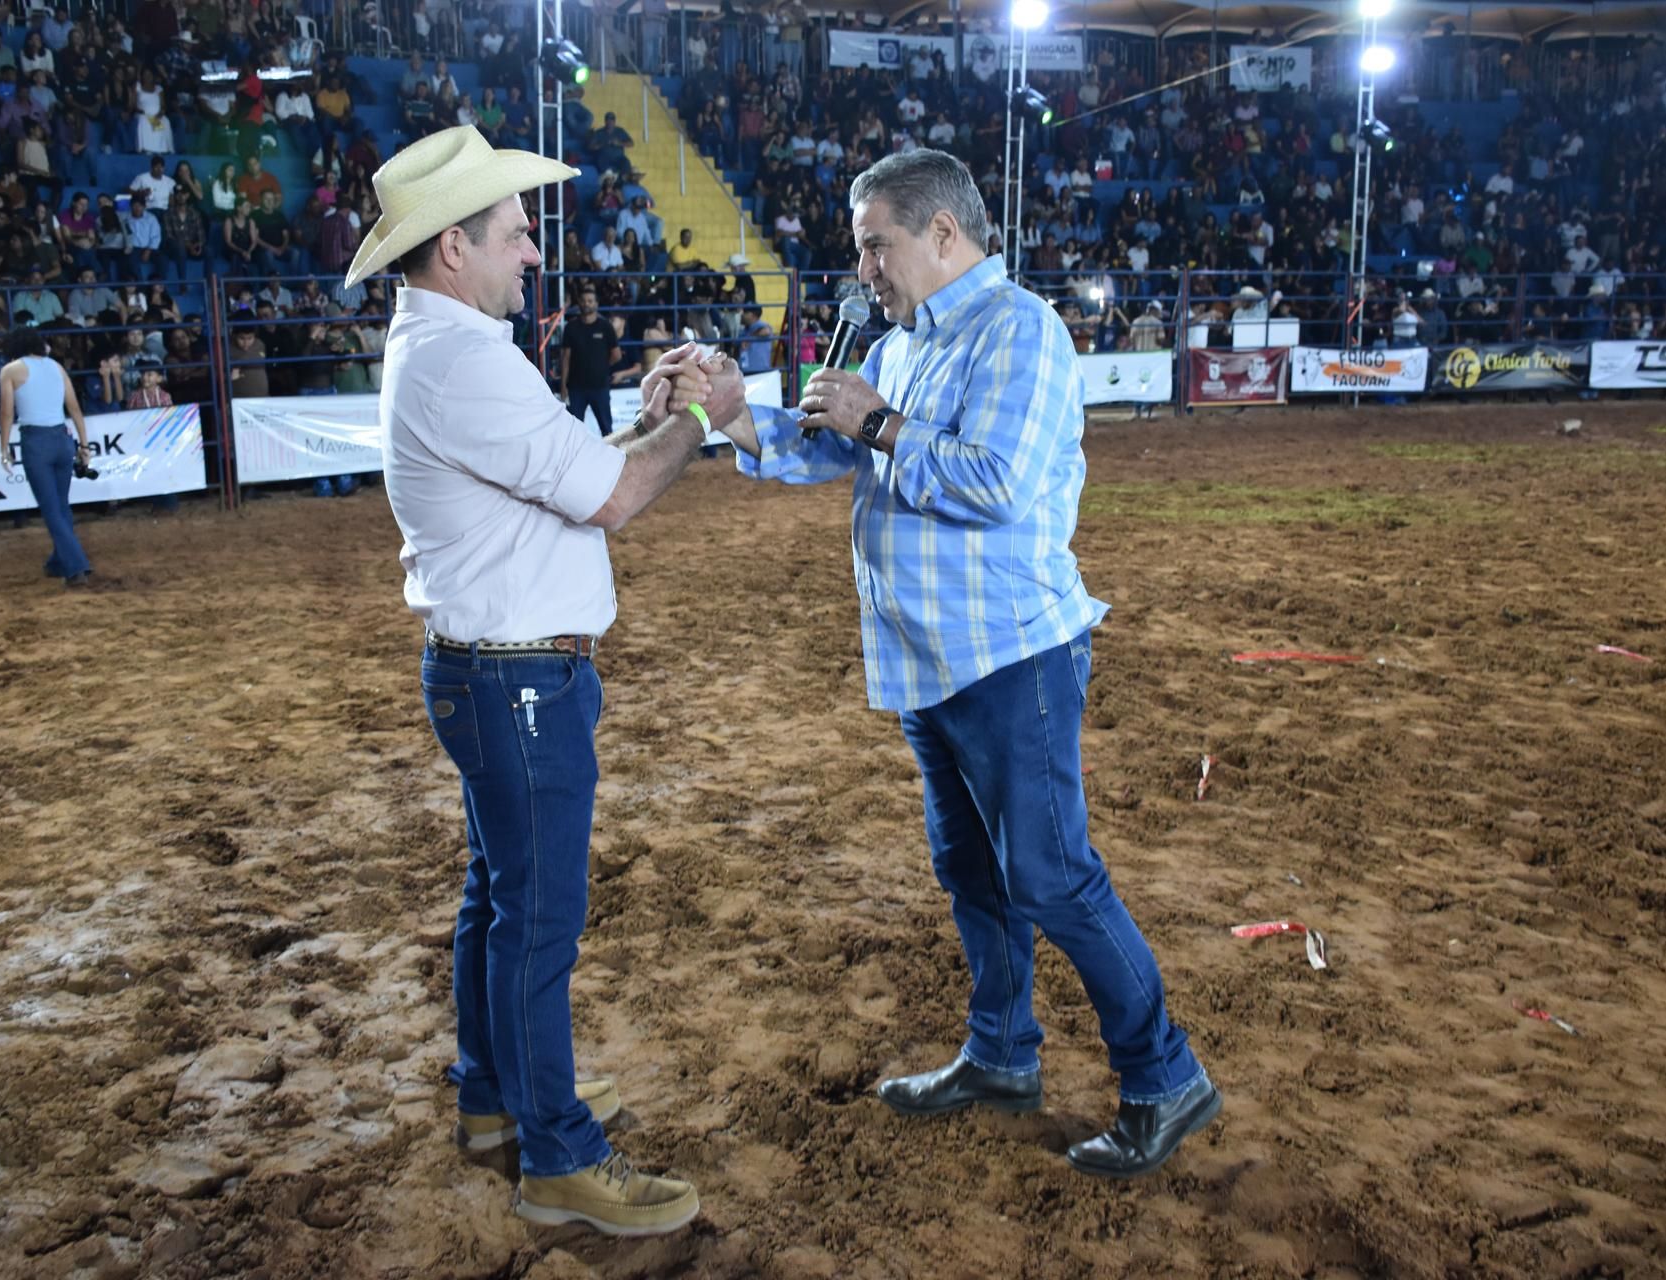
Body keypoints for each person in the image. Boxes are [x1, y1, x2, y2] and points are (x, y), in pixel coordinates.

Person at [684, 149, 1221, 1181]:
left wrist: (878, 422)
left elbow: (996, 484)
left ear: (942, 233)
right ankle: (1001, 1051)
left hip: (1010, 653)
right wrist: (735, 415)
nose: (866, 270)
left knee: (1053, 875)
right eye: (860, 251)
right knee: (972, 868)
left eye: (876, 246)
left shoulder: (1020, 330)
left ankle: (1165, 1073)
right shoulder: (902, 343)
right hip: (934, 657)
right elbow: (826, 450)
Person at [345, 125, 742, 1237]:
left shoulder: (441, 346)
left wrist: (646, 422)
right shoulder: (465, 356)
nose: (532, 250)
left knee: (500, 899)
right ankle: (558, 1152)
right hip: (521, 681)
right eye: (514, 233)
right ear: (450, 249)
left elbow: (562, 477)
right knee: (537, 920)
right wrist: (702, 420)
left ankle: (494, 1095)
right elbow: (611, 500)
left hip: (492, 673)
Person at [0, 326, 93, 587]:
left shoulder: (10, 371)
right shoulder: (56, 367)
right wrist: (84, 446)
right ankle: (59, 562)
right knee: (61, 505)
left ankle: (76, 565)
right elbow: (74, 408)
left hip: (36, 442)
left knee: (51, 509)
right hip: (63, 440)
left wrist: (4, 447)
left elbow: (7, 413)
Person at [560, 288, 618, 436]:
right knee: (574, 432)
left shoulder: (605, 327)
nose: (586, 304)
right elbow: (566, 358)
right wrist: (563, 385)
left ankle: (610, 459)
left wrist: (602, 367)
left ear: (596, 304)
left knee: (607, 430)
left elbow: (616, 355)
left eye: (590, 301)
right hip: (576, 388)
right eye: (584, 300)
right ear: (579, 303)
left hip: (600, 387)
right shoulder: (570, 327)